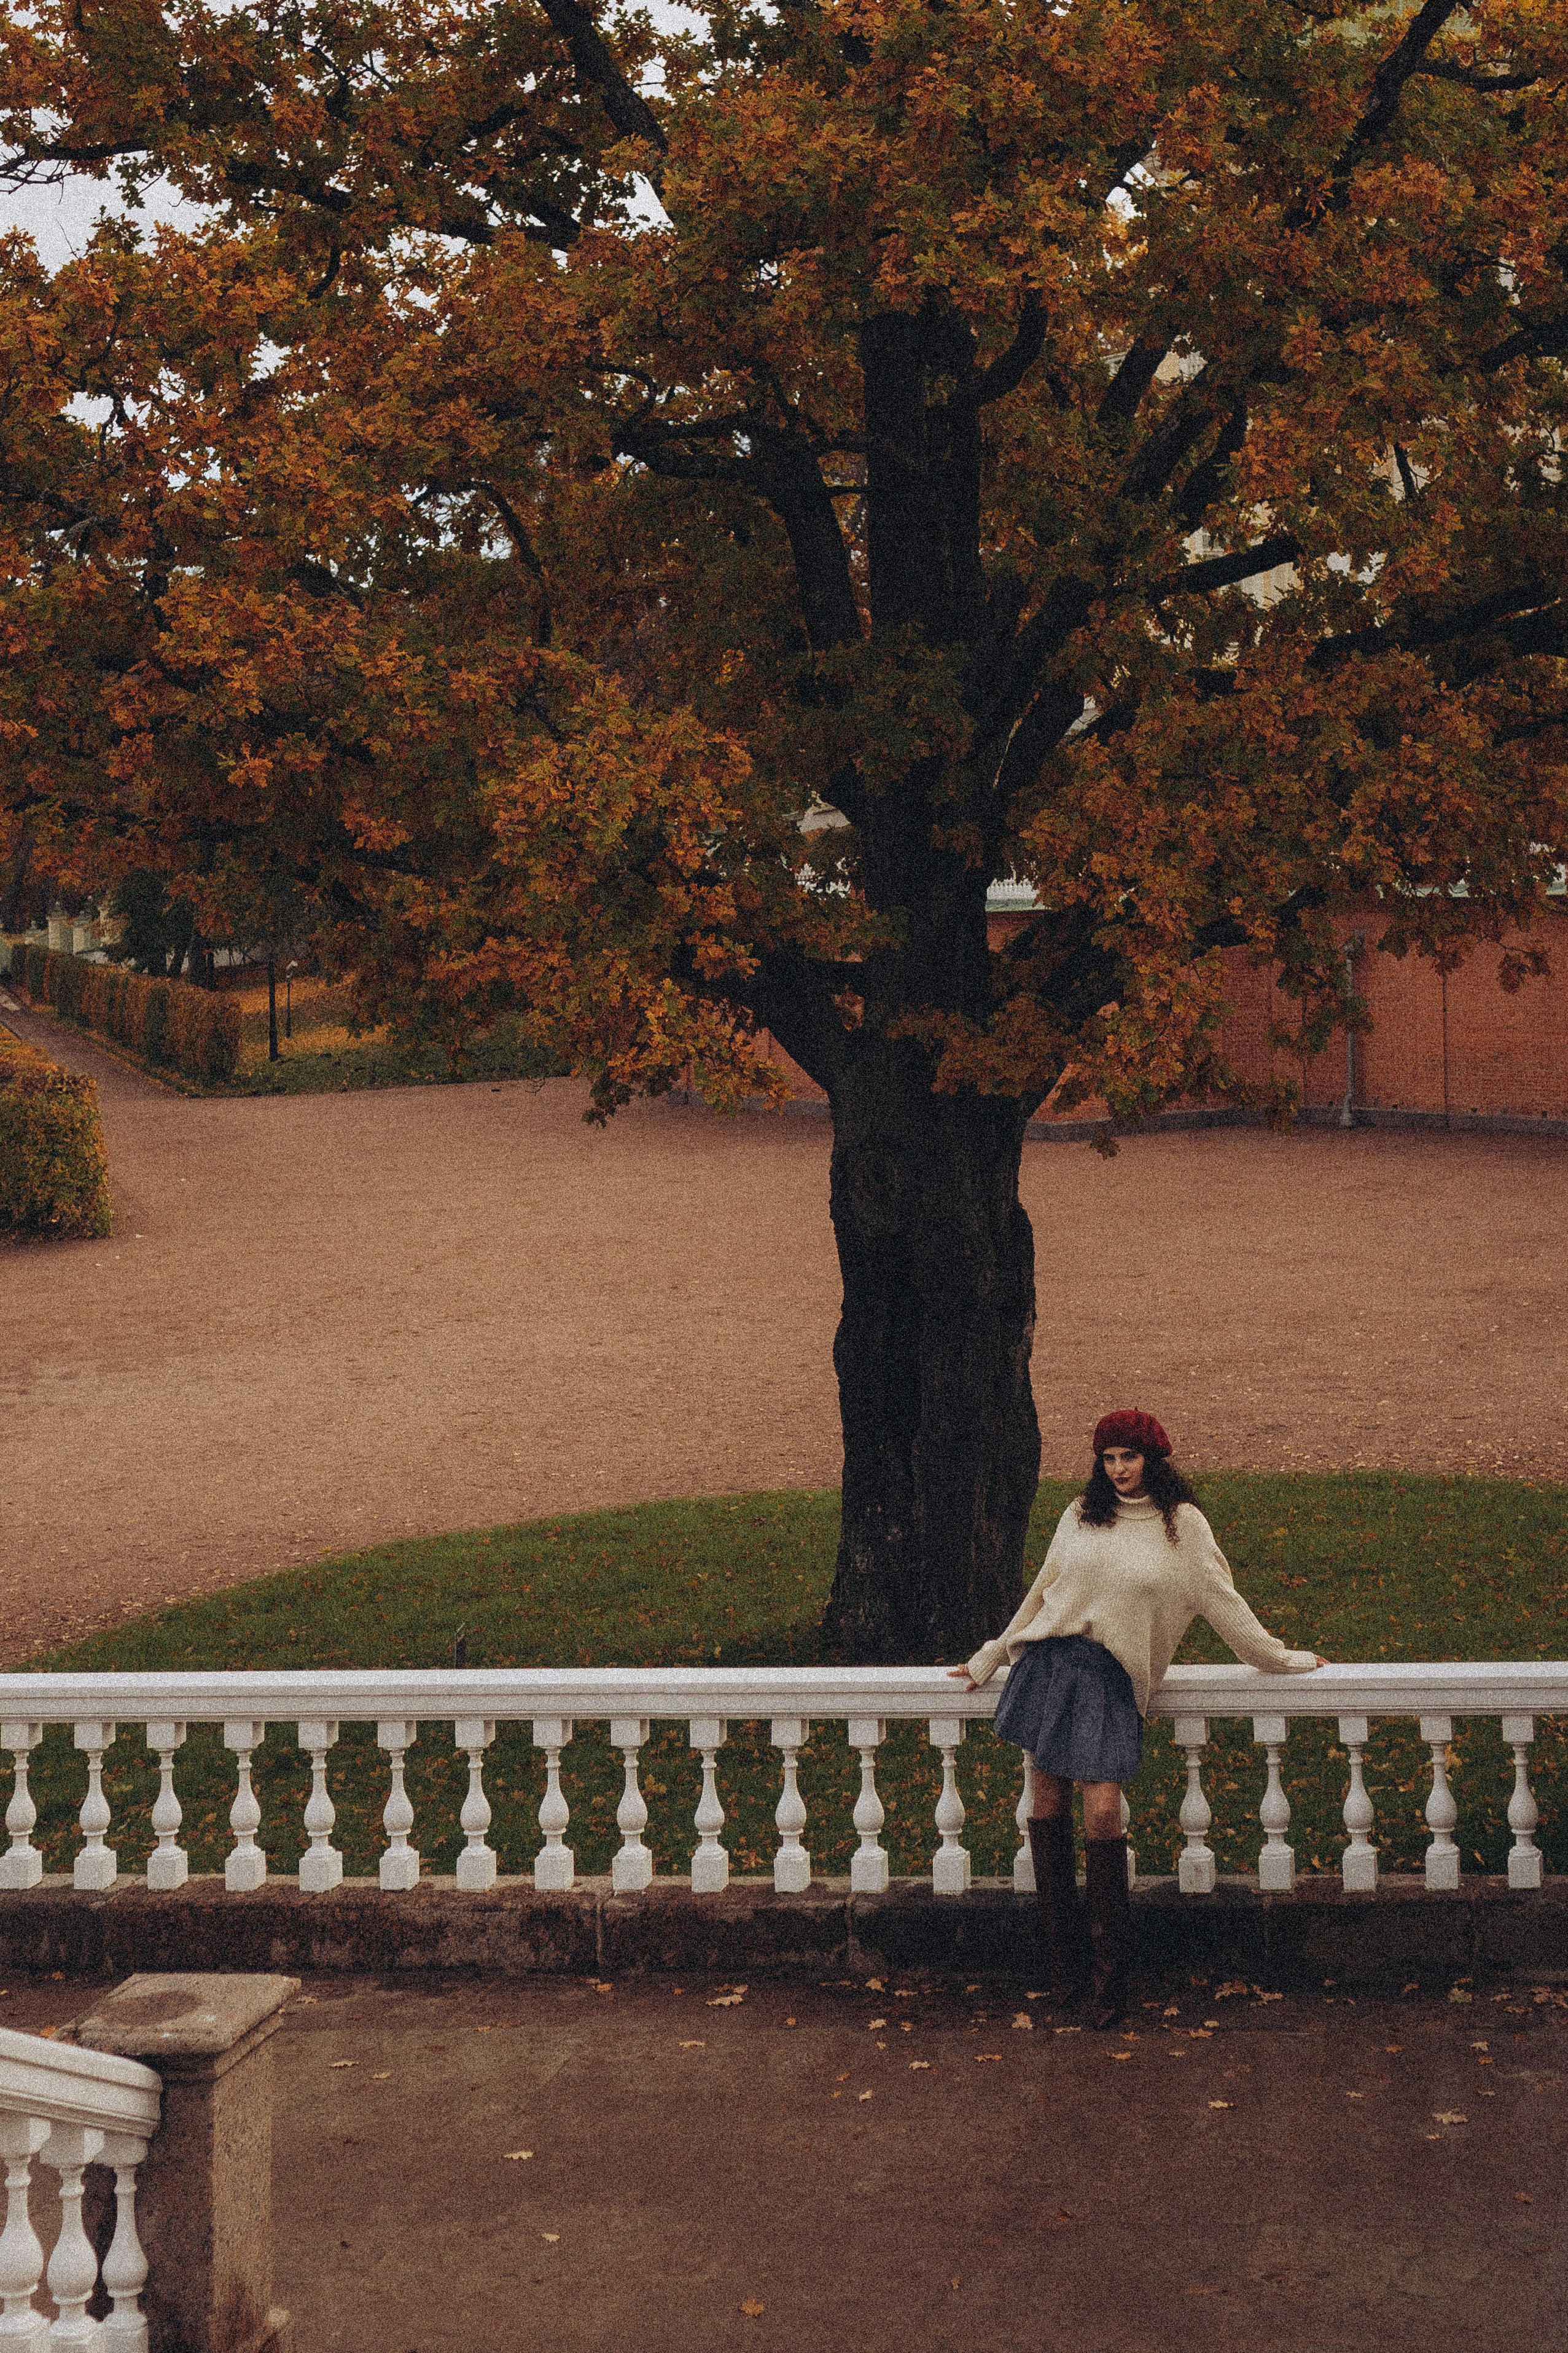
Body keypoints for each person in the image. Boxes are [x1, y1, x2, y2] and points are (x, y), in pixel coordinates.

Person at [950, 1409, 1326, 2029]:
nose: (1119, 1468)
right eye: (1108, 1458)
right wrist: (994, 1651)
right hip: (1050, 1664)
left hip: (1110, 1678)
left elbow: (1226, 1606)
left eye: (1129, 1456)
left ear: (1155, 1457)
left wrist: (1284, 1658)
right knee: (1046, 1806)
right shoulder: (1079, 1514)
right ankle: (1063, 1972)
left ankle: (1110, 1980)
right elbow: (1043, 1591)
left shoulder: (1185, 1528)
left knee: (1102, 1812)